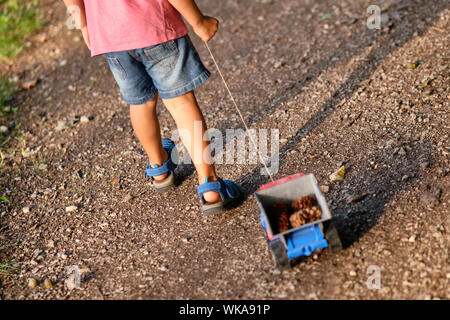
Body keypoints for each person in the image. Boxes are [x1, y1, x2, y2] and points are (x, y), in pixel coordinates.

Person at [63, 0, 241, 215]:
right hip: (156, 28)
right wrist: (198, 21)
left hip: (112, 37)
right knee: (181, 103)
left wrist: (84, 26)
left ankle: (159, 168)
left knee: (140, 103)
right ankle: (211, 187)